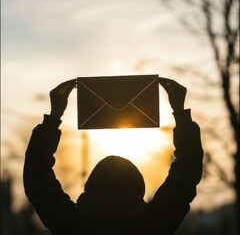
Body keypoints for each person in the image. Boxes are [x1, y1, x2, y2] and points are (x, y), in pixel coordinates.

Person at [23, 78, 203, 235]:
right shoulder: (152, 225)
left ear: (91, 186)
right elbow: (186, 175)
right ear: (138, 188)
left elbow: (37, 178)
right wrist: (180, 112)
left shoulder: (72, 225)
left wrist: (54, 117)